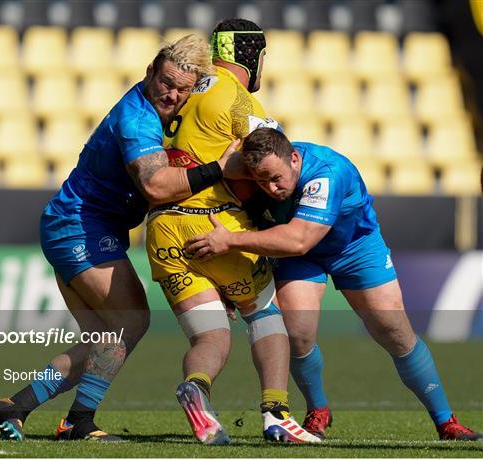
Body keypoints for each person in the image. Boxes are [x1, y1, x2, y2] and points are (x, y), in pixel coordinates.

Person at [0, 35, 238, 442]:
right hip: (80, 226)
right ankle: (78, 422)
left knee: (103, 342)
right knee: (130, 321)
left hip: (82, 225)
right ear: (149, 72)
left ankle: (15, 408)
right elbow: (156, 186)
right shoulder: (137, 118)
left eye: (182, 88)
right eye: (165, 82)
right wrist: (218, 168)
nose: (171, 94)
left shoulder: (166, 114)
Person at [185, 127, 483, 442]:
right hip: (298, 254)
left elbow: (299, 240)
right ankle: (318, 411)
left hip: (354, 247)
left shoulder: (326, 173)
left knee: (395, 332)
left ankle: (446, 421)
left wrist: (229, 241)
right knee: (297, 335)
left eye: (275, 178)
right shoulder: (254, 172)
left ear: (295, 158)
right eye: (260, 181)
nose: (270, 188)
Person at [146, 20, 319, 445]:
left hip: (163, 230)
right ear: (252, 57)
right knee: (264, 315)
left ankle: (197, 387)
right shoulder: (239, 101)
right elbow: (271, 162)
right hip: (214, 224)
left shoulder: (178, 89)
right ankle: (276, 413)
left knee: (211, 335)